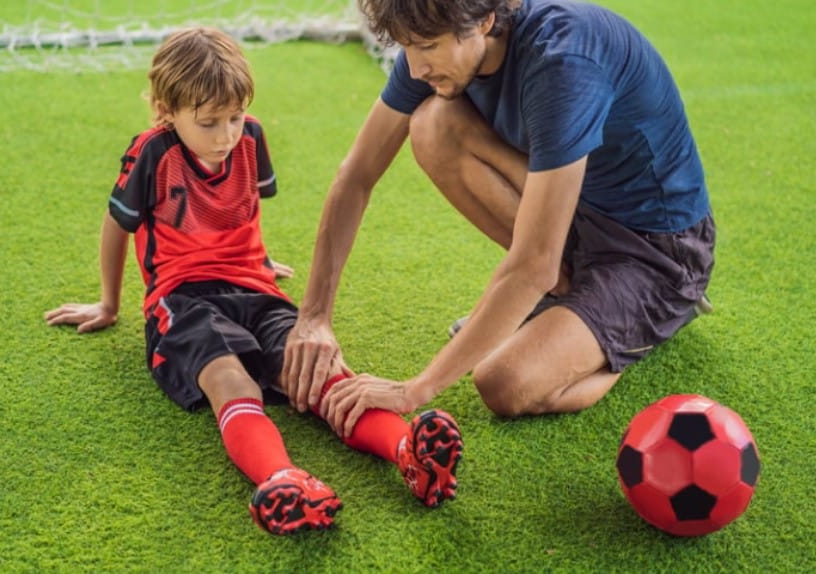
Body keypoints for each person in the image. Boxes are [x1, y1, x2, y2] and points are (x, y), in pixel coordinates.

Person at [44, 27, 463, 536]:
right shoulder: (151, 154)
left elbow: (241, 210)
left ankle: (408, 451)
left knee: (320, 374)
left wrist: (258, 261)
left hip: (255, 290)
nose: (226, 135)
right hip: (182, 298)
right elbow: (117, 225)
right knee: (231, 380)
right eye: (209, 122)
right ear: (165, 110)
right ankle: (281, 479)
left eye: (235, 117)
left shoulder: (252, 138)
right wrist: (109, 304)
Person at [282, 0, 715, 438]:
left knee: (504, 383)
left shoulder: (561, 62)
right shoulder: (433, 34)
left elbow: (532, 265)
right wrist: (314, 317)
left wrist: (414, 390)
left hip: (653, 252)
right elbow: (356, 175)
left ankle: (633, 333)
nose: (415, 68)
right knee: (435, 124)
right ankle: (570, 297)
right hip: (573, 209)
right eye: (407, 47)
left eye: (428, 47)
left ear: (485, 21)